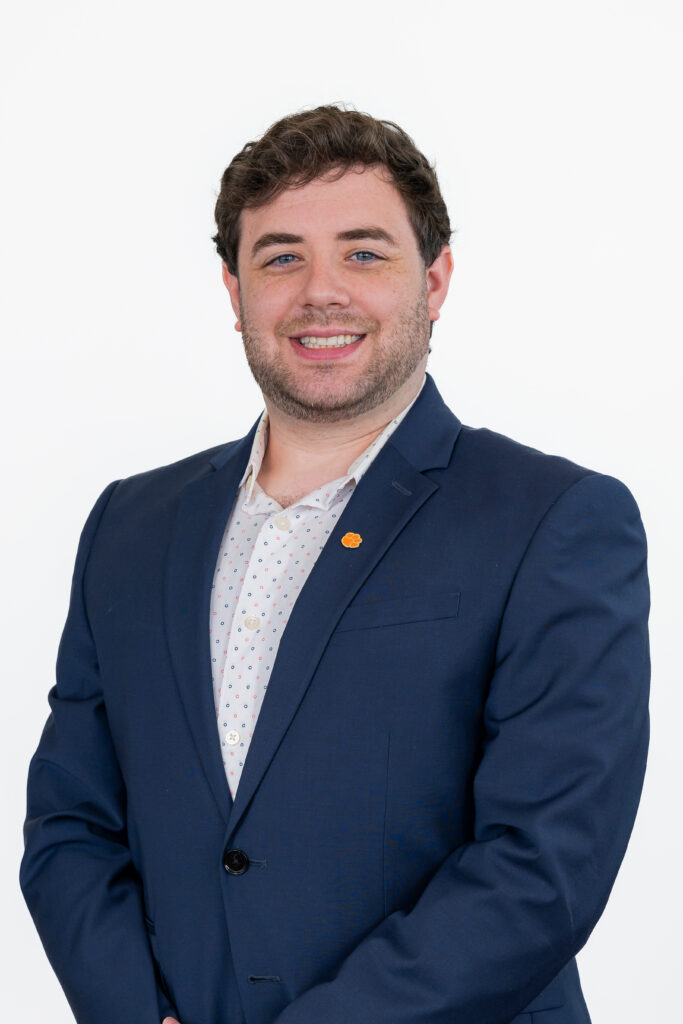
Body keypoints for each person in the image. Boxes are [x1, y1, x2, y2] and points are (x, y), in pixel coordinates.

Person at [20, 104, 650, 1024]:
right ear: (234, 293)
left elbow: (544, 863)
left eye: (363, 252)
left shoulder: (553, 519)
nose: (321, 290)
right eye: (280, 257)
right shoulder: (129, 524)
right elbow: (71, 825)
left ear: (432, 282)